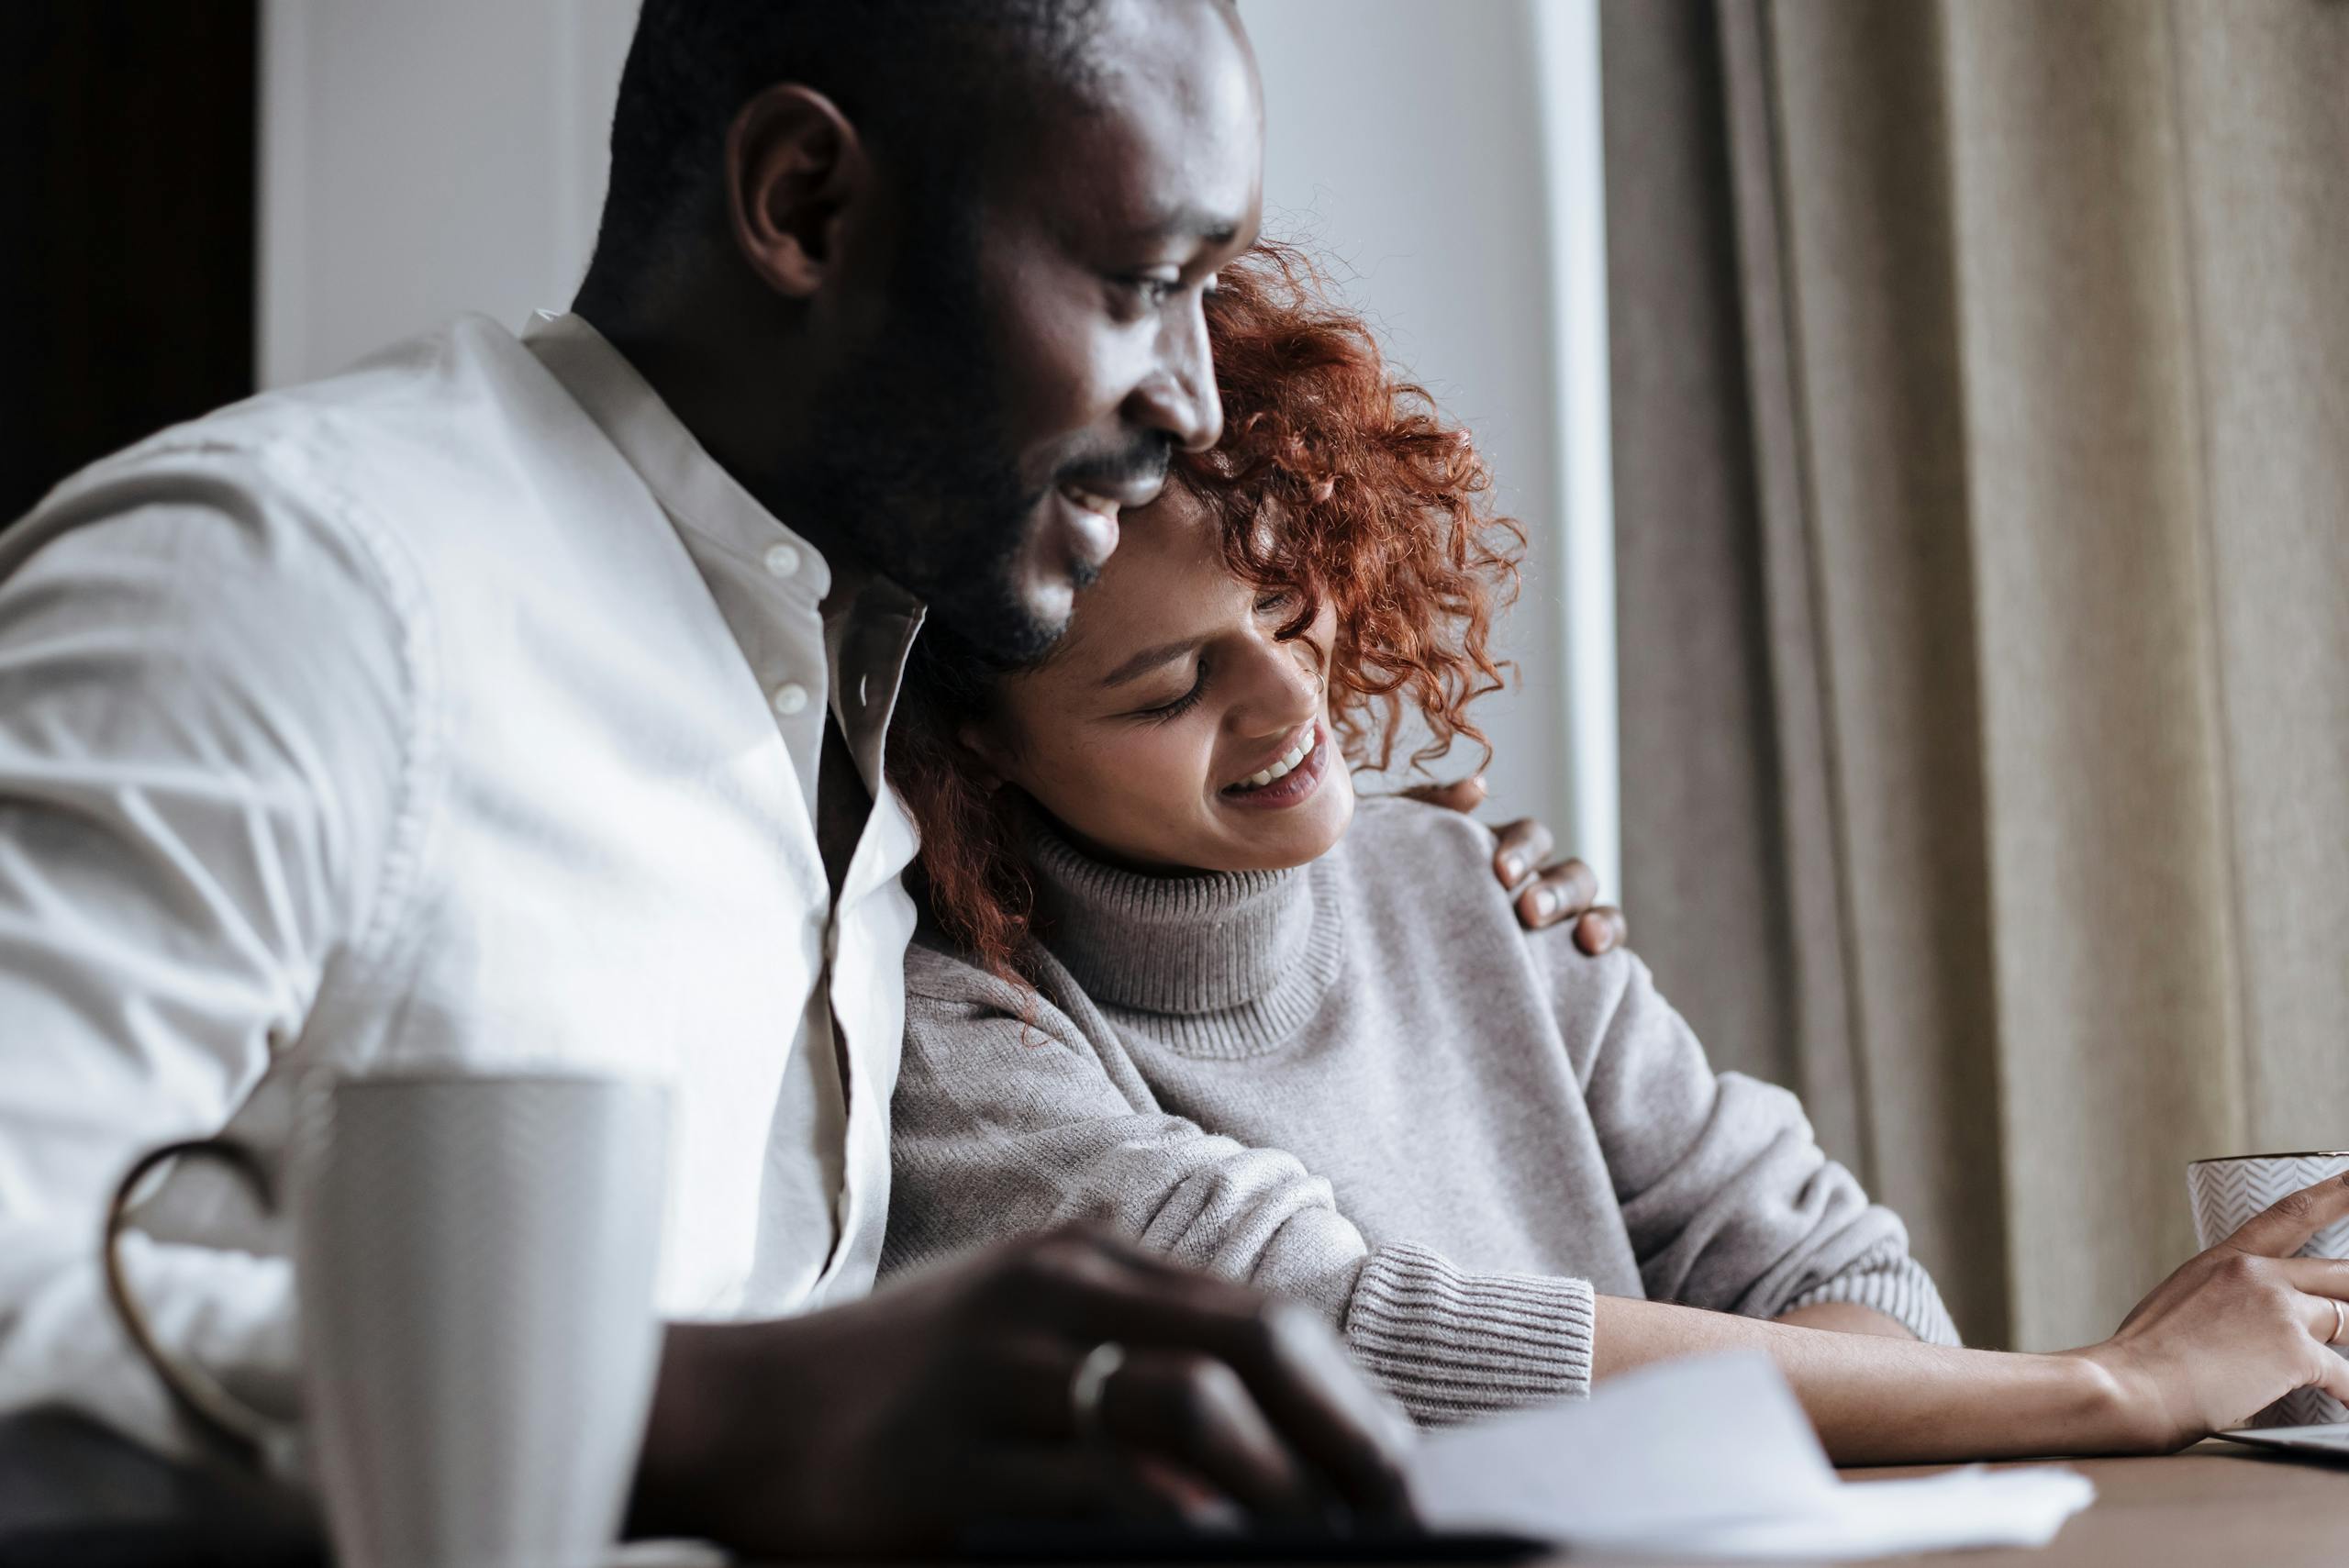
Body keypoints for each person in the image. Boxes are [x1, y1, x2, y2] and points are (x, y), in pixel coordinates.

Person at [0, 3, 1615, 1556]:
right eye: (1141, 283)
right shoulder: (293, 585)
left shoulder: (882, 711)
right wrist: (717, 1409)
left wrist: (1413, 888)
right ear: (805, 203)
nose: (1192, 395)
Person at [882, 242, 2349, 1460]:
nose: (1288, 701)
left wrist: (1686, 1418)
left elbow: (1851, 1280)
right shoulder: (965, 1048)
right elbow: (1335, 1336)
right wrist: (2115, 1384)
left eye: (1283, 603)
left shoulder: (1473, 887)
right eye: (1170, 688)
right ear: (977, 743)